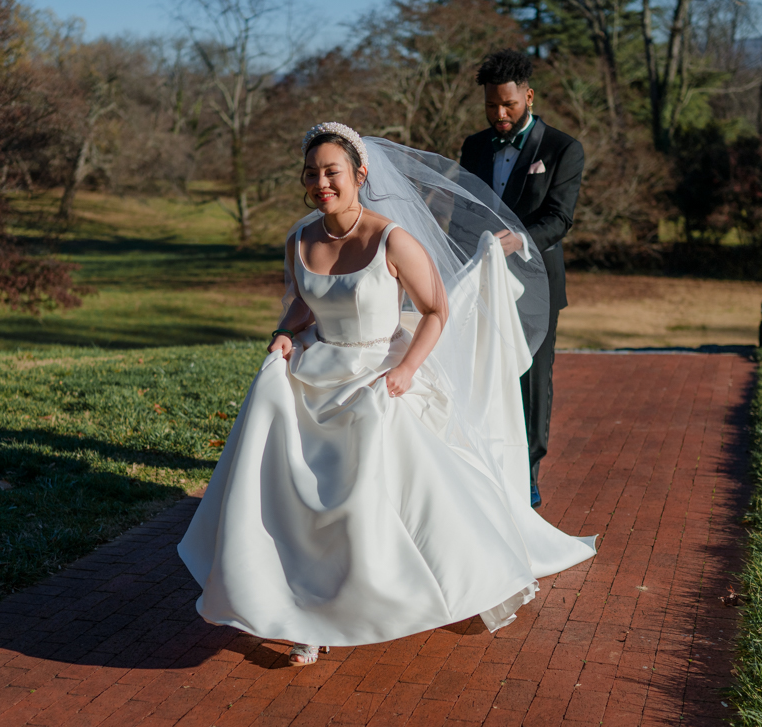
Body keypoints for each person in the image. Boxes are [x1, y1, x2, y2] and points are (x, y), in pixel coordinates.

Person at [178, 122, 595, 666]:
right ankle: (303, 609)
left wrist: (407, 371)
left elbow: (435, 310)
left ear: (360, 174)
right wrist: (285, 332)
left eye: (332, 171)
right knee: (295, 500)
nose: (321, 182)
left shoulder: (392, 238)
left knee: (376, 492)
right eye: (312, 173)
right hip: (316, 375)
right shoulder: (300, 238)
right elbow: (305, 305)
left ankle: (440, 582)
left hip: (378, 376)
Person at [460, 49, 585, 509]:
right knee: (481, 368)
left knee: (531, 375)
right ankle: (485, 461)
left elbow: (559, 219)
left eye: (508, 105)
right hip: (478, 280)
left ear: (528, 96)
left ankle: (529, 470)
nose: (499, 114)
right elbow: (462, 213)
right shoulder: (474, 147)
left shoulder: (563, 149)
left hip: (537, 284)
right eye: (492, 105)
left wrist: (518, 240)